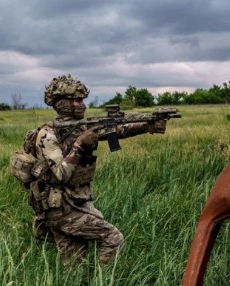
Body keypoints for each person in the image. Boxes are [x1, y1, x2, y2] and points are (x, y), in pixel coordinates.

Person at [24, 74, 166, 265]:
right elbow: (61, 174)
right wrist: (80, 146)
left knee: (74, 265)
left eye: (82, 100)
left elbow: (116, 131)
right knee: (112, 238)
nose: (81, 104)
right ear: (61, 103)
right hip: (60, 209)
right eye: (76, 100)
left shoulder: (80, 127)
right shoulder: (47, 135)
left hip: (75, 202)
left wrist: (147, 126)